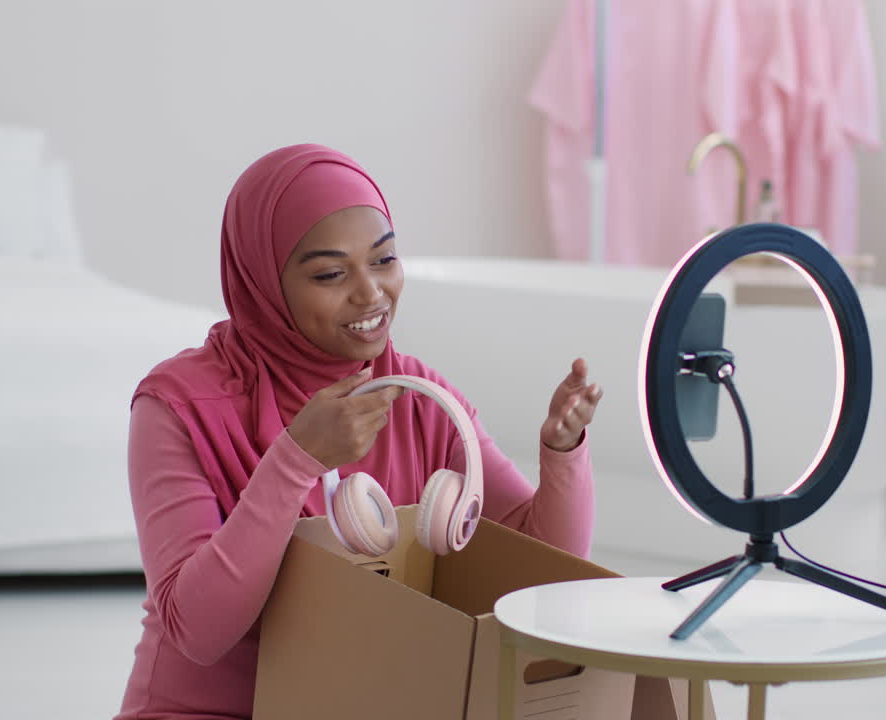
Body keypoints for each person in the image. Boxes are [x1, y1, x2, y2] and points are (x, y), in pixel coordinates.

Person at [114, 144, 603, 719]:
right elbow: (197, 631)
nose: (370, 293)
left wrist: (562, 452)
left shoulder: (420, 396)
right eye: (329, 273)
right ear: (264, 283)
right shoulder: (176, 406)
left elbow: (543, 573)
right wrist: (296, 460)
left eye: (384, 260)